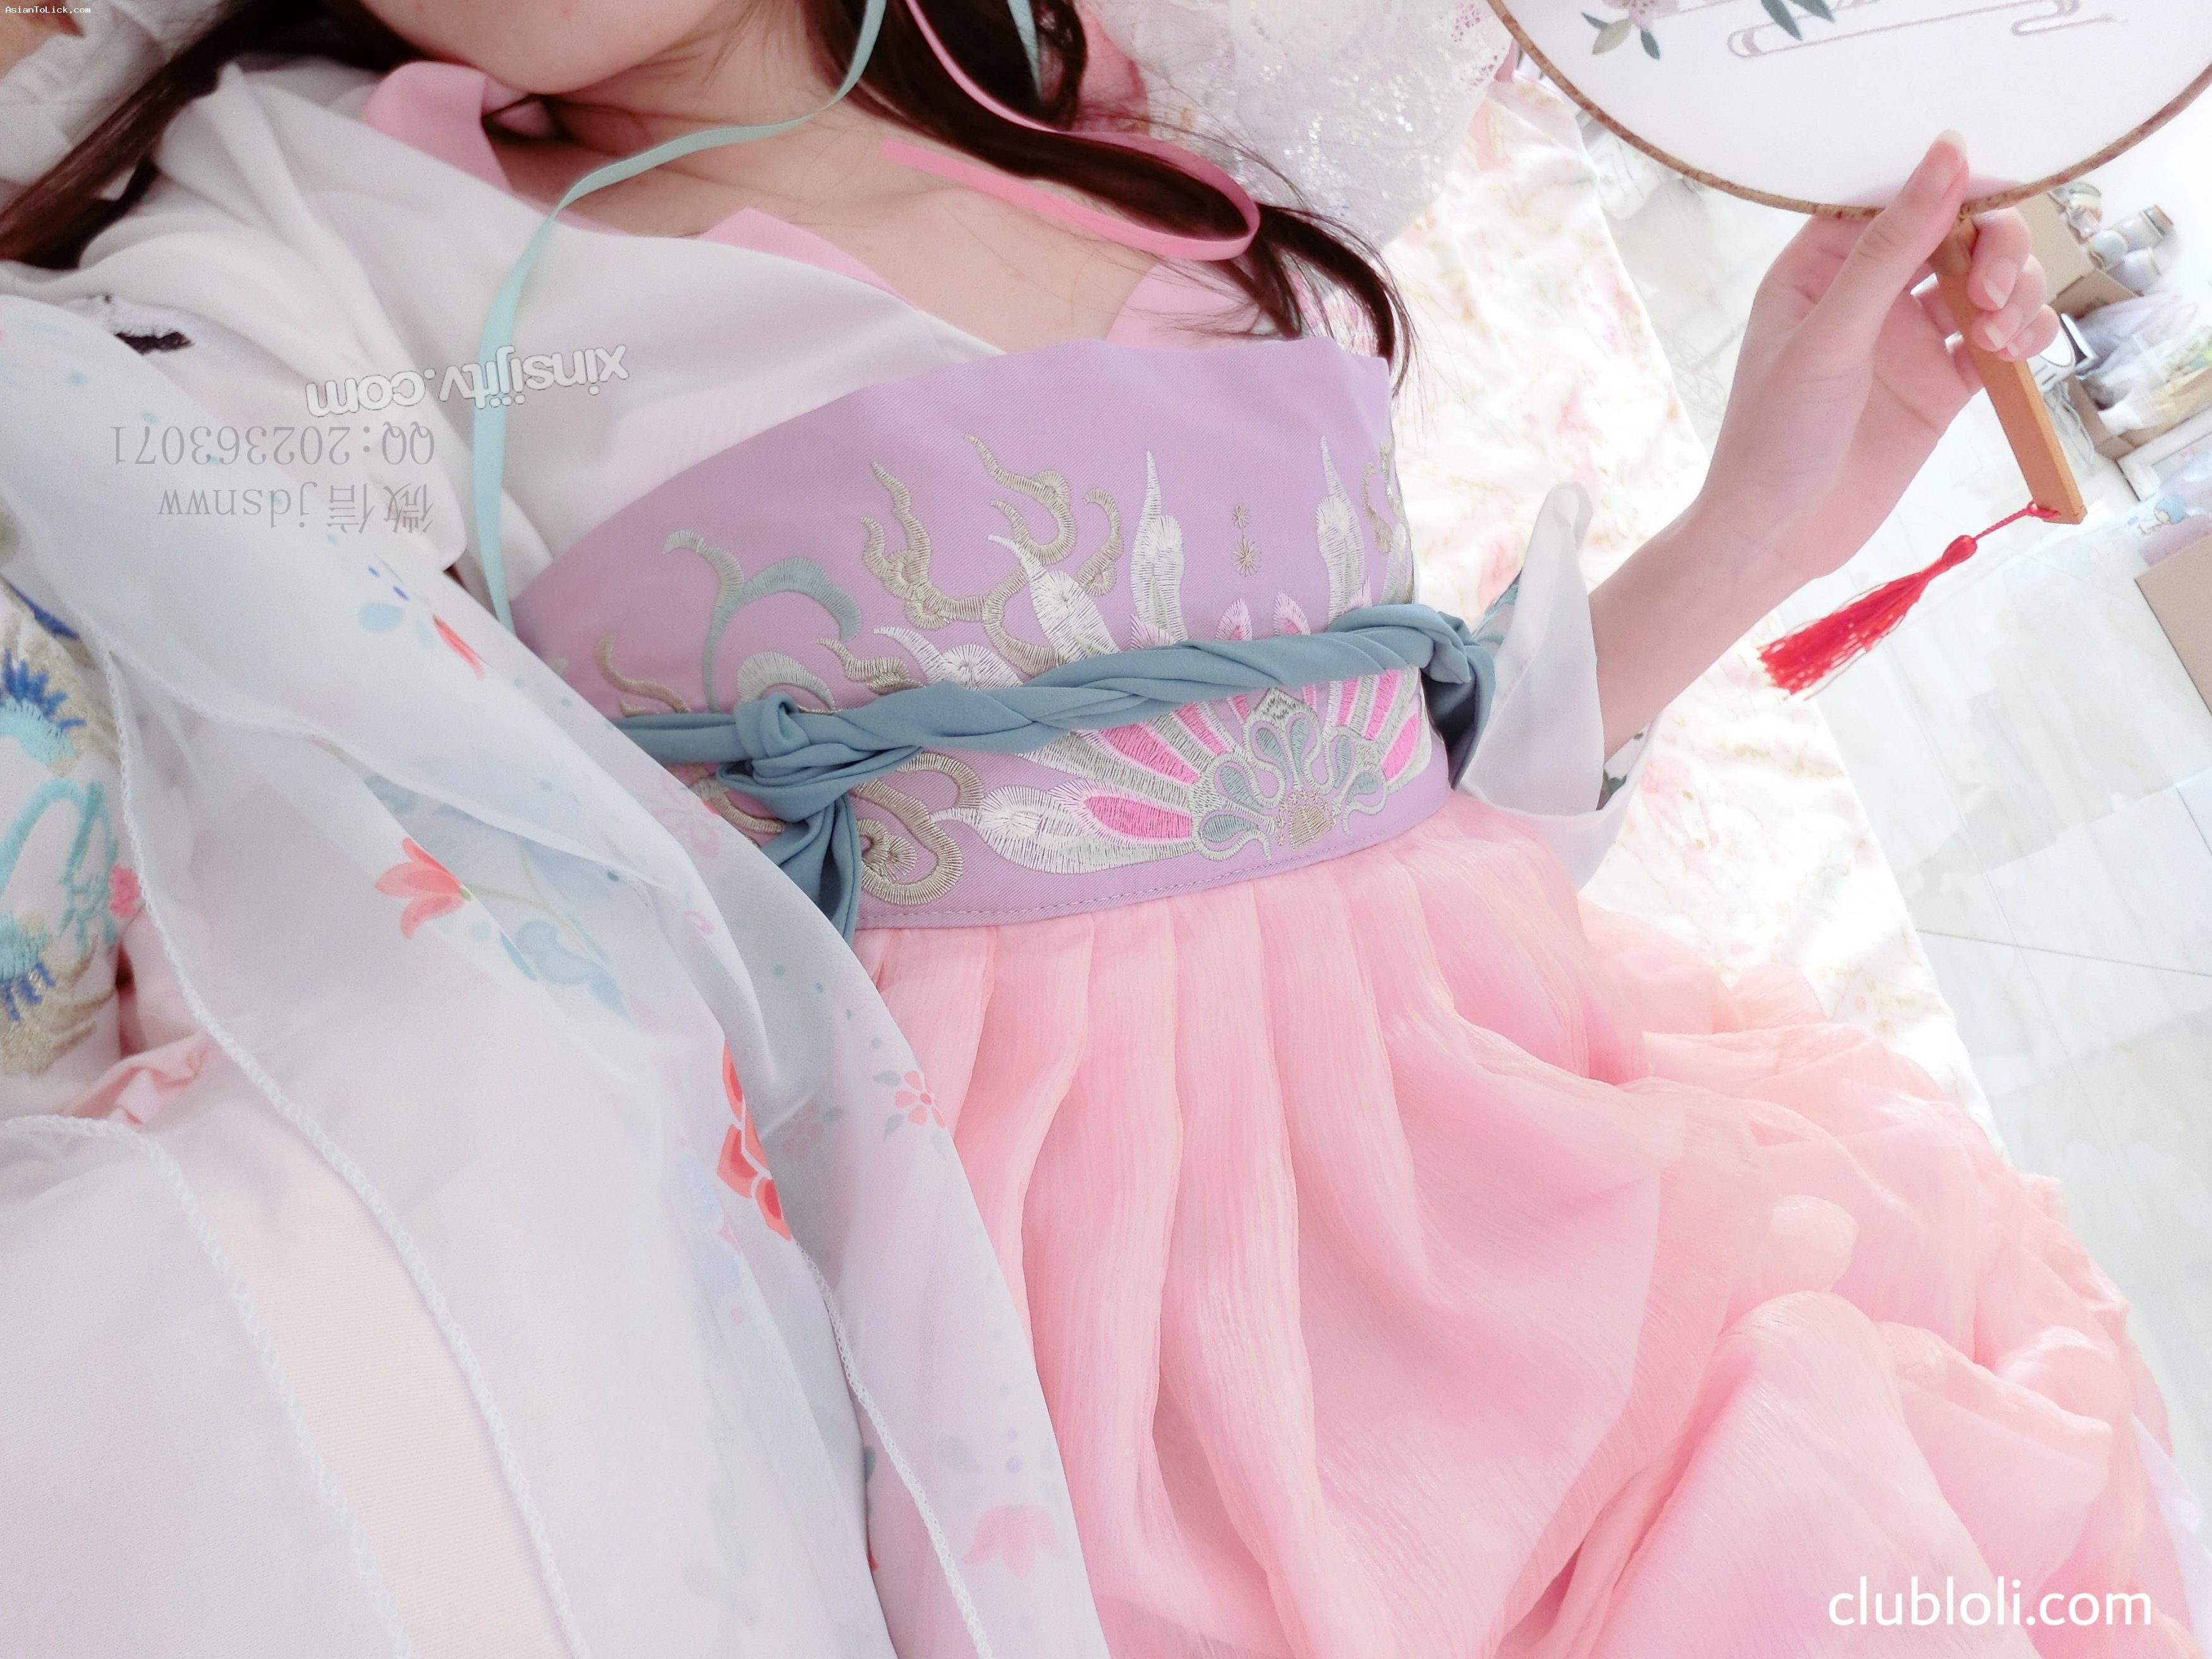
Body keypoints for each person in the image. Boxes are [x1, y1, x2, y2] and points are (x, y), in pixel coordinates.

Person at [0, 1, 2200, 1655]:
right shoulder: (337, 223)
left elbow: (1390, 839)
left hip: (1567, 1206)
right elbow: (146, 509)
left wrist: (1770, 506)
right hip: (1090, 1405)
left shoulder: (1131, 130)